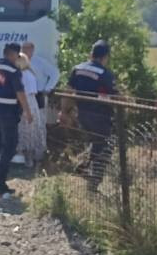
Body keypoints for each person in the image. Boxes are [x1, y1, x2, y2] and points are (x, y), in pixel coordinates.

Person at [62, 39, 118, 193]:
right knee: (106, 147)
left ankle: (84, 167)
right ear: (105, 57)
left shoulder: (77, 69)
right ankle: (93, 185)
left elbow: (68, 91)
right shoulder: (105, 74)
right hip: (100, 117)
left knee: (96, 143)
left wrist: (64, 112)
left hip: (82, 115)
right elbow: (116, 97)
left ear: (92, 53)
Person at [0, 43, 34, 198]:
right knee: (10, 146)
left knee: (1, 145)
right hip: (8, 114)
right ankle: (0, 184)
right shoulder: (13, 71)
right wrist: (28, 112)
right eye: (18, 55)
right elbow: (20, 93)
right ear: (13, 55)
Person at [14, 53, 46, 167]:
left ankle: (25, 157)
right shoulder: (30, 73)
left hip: (24, 102)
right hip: (32, 102)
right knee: (33, 129)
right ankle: (35, 156)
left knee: (24, 129)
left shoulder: (21, 75)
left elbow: (20, 93)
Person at [21, 41, 60, 109]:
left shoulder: (40, 62)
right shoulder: (18, 61)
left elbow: (55, 73)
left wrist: (48, 88)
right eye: (23, 48)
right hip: (23, 94)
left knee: (38, 114)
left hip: (37, 95)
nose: (24, 50)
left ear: (32, 49)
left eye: (27, 48)